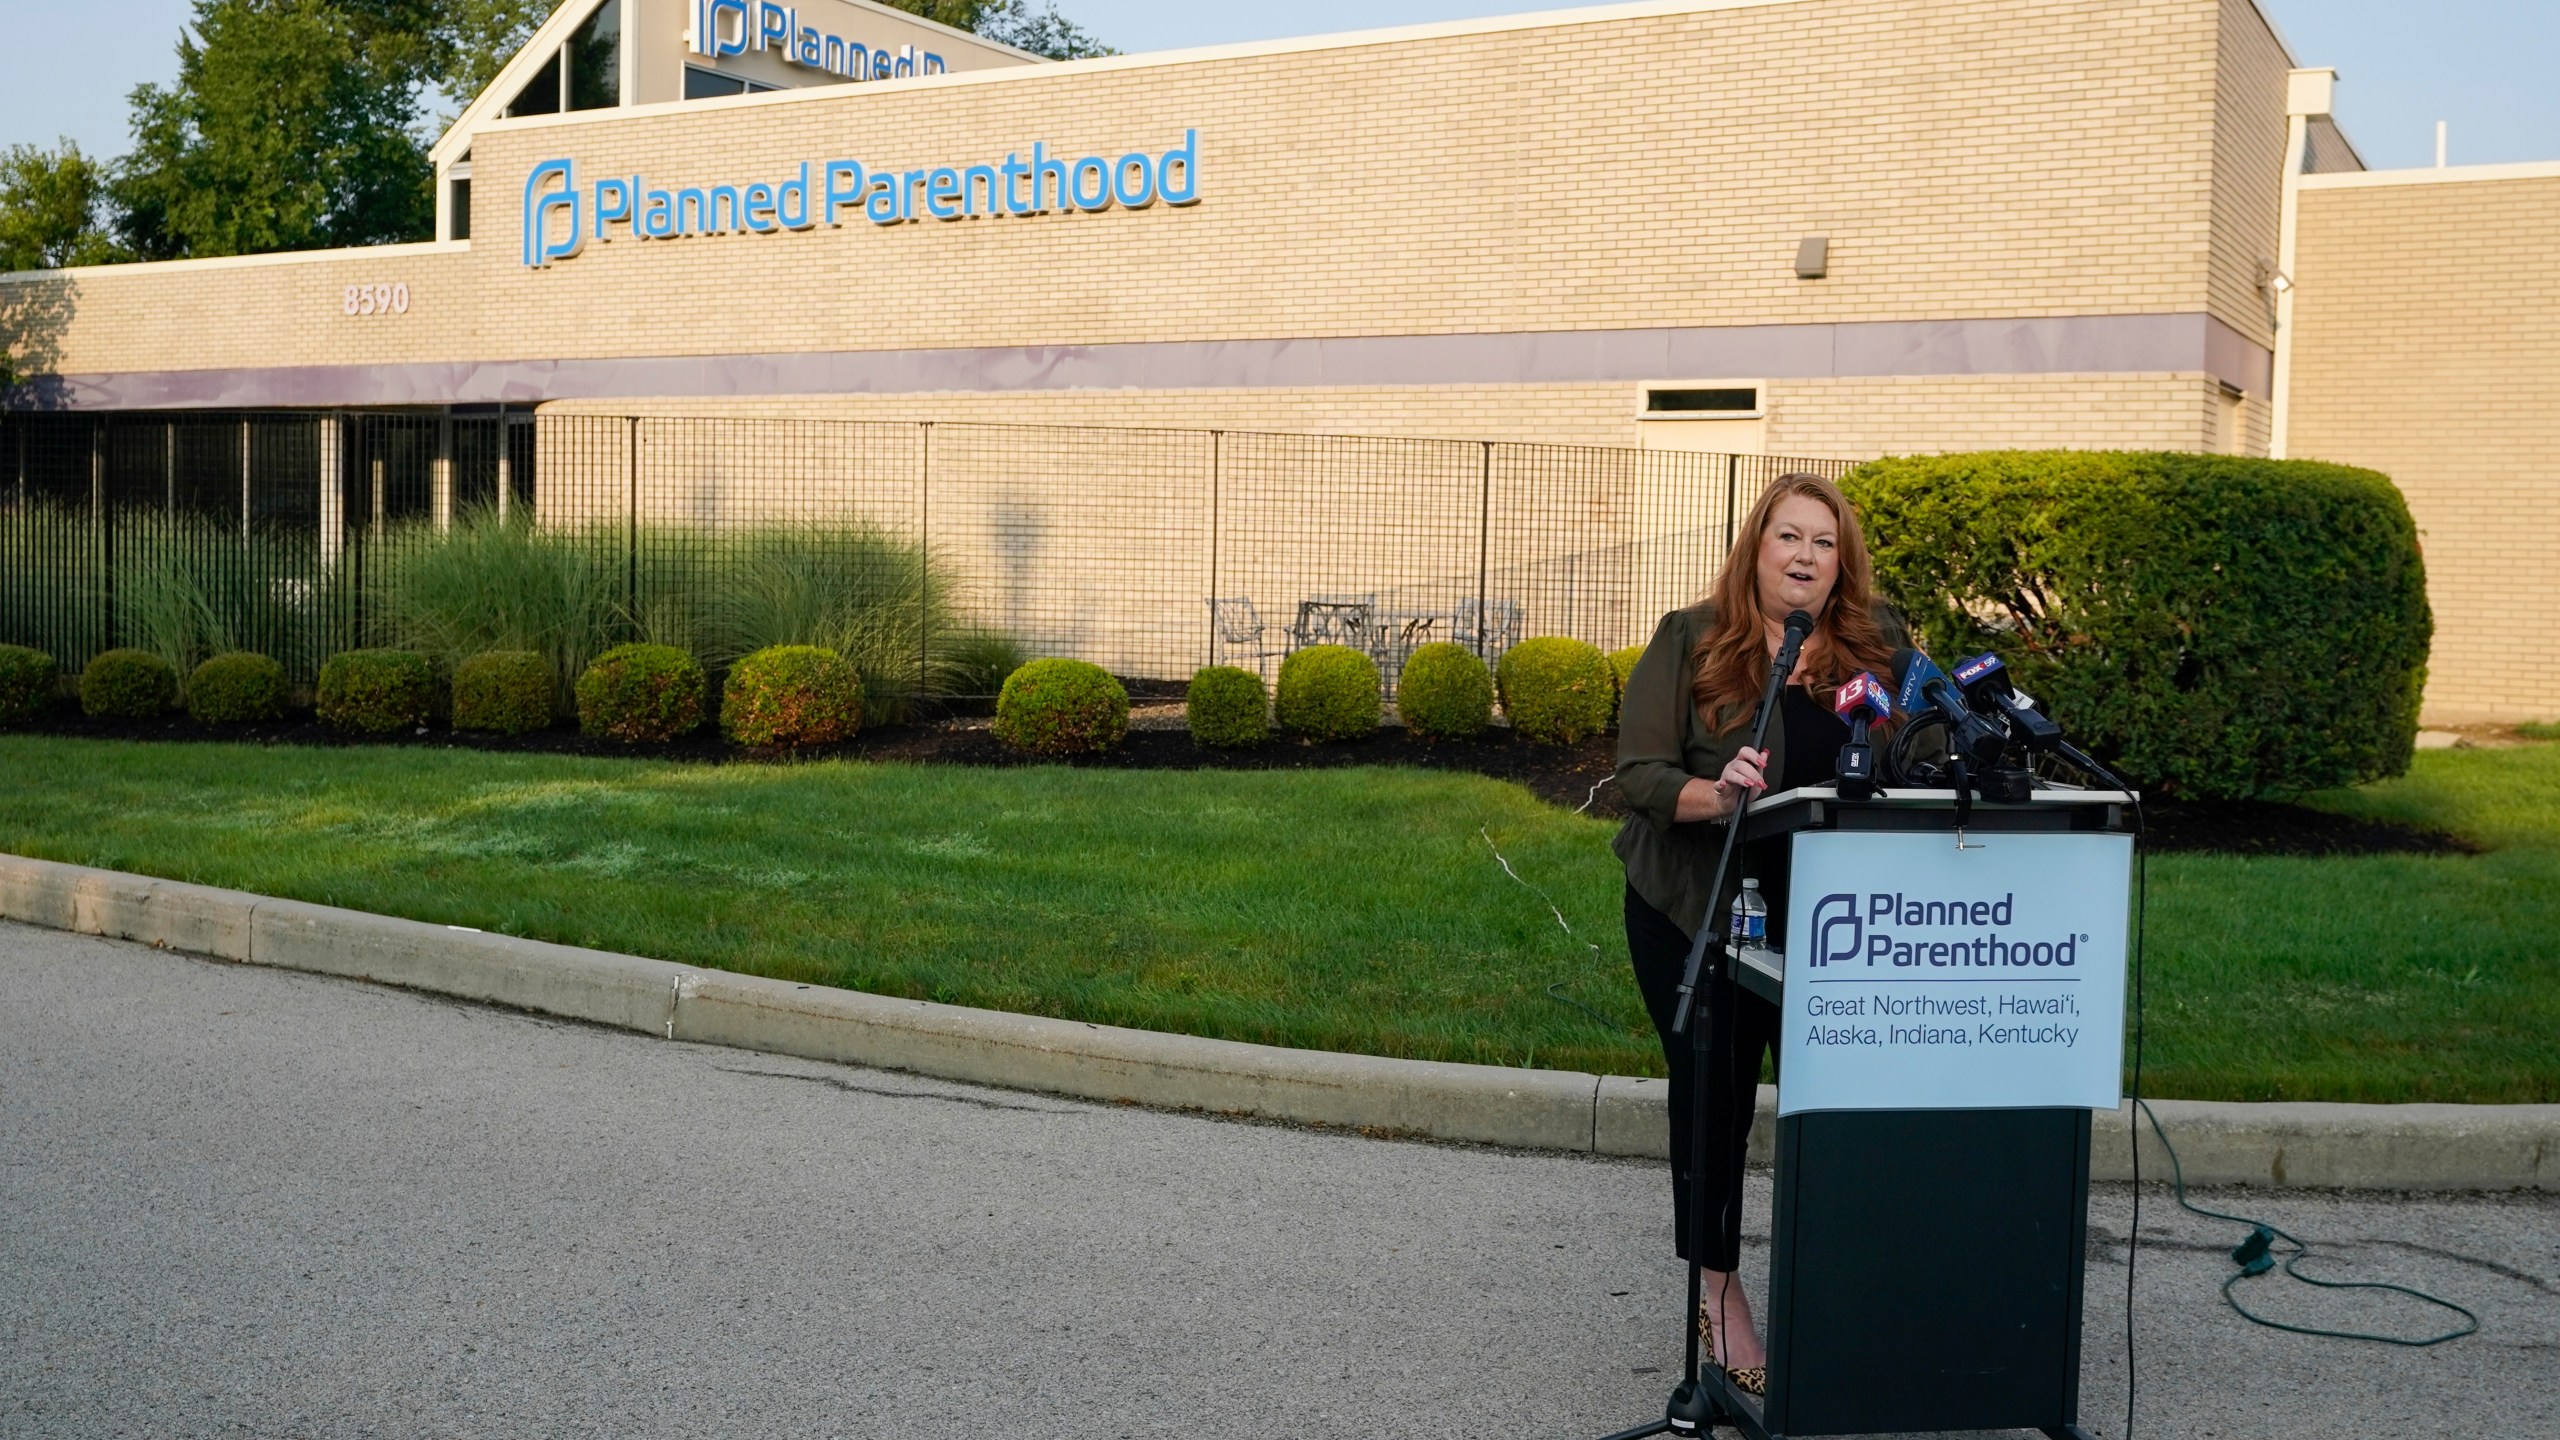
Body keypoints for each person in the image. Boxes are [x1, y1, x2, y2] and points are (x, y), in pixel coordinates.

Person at [1611, 472, 1907, 1396]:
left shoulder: (1878, 646)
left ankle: (1844, 1291)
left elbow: (1916, 753)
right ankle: (1718, 1288)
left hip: (1832, 919)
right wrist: (1717, 793)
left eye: (1824, 543)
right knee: (1717, 1099)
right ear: (1758, 546)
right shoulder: (1692, 638)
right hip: (1699, 908)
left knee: (1840, 1106)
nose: (1806, 557)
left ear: (1841, 562)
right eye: (1789, 537)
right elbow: (1642, 776)